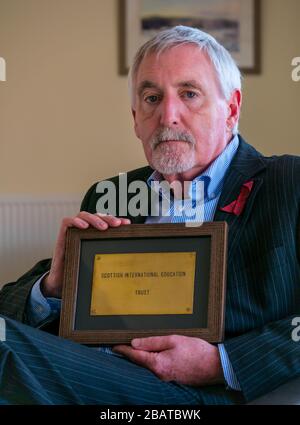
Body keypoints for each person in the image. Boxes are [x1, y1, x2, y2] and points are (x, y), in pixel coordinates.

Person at [0, 26, 299, 405]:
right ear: (135, 118)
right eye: (152, 97)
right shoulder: (112, 194)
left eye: (189, 94)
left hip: (206, 392)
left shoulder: (289, 182)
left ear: (232, 108)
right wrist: (54, 288)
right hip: (103, 373)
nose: (167, 115)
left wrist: (221, 363)